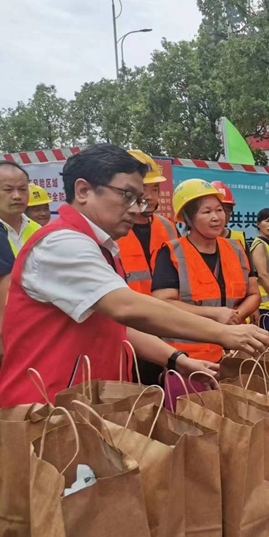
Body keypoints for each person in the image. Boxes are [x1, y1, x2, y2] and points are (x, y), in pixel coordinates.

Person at [0, 145, 269, 407]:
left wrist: (176, 359)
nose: (135, 208)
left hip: (86, 402)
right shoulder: (61, 244)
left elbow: (116, 327)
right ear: (83, 191)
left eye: (139, 199)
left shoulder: (101, 247)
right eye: (126, 195)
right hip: (46, 407)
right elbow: (126, 307)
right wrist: (223, 332)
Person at [152, 178, 261, 363]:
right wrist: (215, 314)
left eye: (219, 210)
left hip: (236, 353)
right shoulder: (172, 252)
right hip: (190, 358)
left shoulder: (237, 249)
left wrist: (235, 317)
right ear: (188, 217)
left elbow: (254, 294)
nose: (216, 217)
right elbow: (163, 302)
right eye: (207, 211)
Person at [115, 150, 180, 384]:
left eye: (156, 189)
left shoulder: (168, 227)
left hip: (164, 326)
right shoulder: (112, 230)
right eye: (144, 189)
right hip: (126, 330)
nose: (150, 197)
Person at [0, 161, 42, 368]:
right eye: (8, 190)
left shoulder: (38, 230)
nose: (17, 195)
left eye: (22, 189)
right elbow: (8, 278)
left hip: (31, 329)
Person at [212, 181, 247, 251]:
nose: (222, 215)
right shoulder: (195, 241)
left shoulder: (238, 238)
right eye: (218, 210)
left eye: (226, 210)